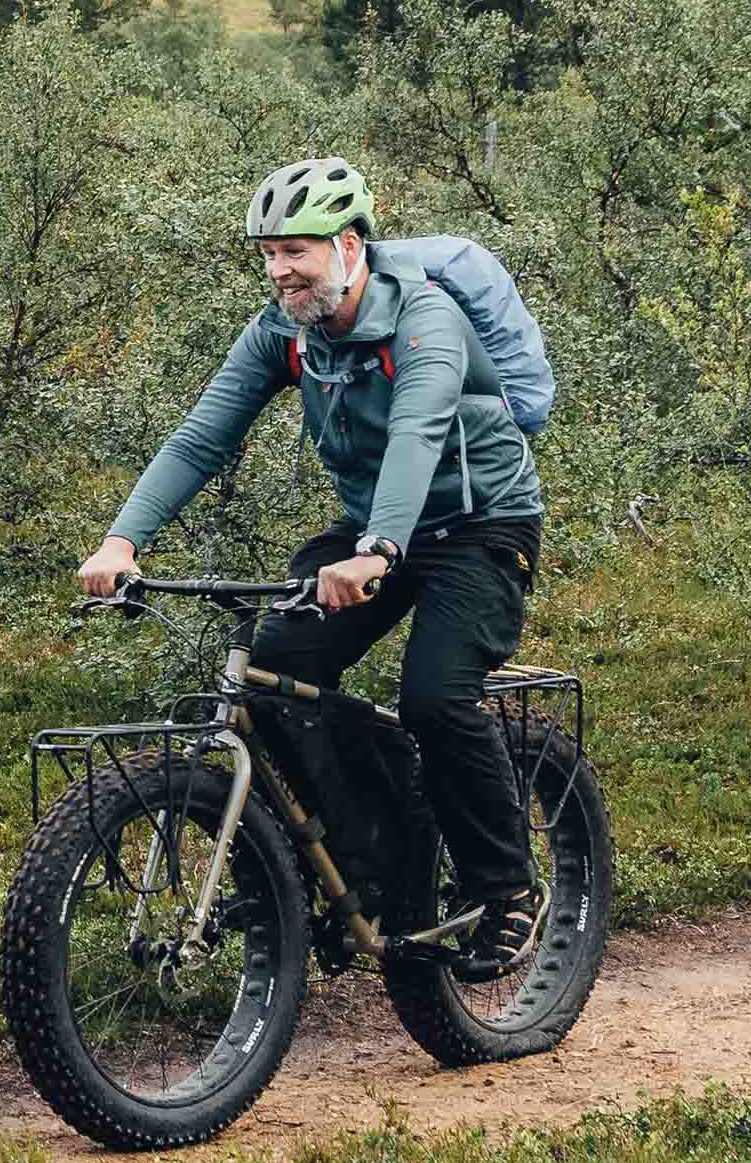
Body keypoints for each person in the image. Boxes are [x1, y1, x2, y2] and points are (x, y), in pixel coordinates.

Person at [78, 156, 557, 977]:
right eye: (266, 254)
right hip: (373, 528)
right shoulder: (283, 332)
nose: (278, 271)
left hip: (481, 526)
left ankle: (508, 887)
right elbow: (202, 436)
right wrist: (123, 539)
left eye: (293, 251)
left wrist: (378, 552)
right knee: (272, 677)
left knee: (436, 697)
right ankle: (362, 857)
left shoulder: (425, 321)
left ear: (345, 244)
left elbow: (418, 432)